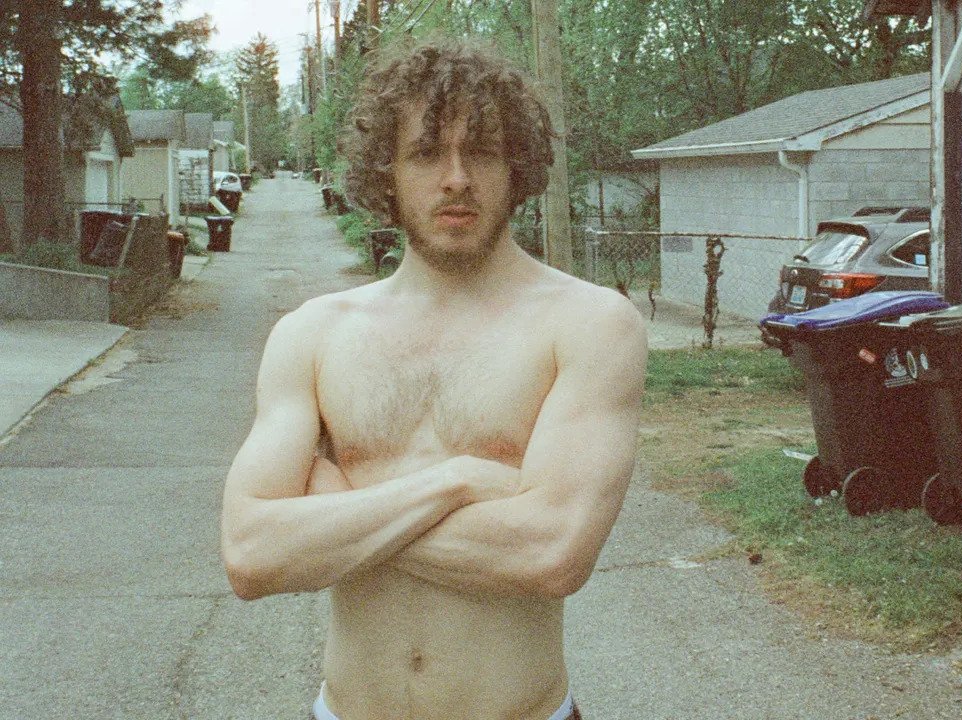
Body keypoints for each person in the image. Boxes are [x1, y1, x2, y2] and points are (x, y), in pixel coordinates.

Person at [219, 38, 646, 720]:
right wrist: (461, 481)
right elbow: (250, 555)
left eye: (480, 150)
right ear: (384, 172)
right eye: (425, 152)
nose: (456, 179)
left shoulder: (590, 324)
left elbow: (553, 553)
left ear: (516, 166)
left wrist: (339, 513)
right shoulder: (313, 334)